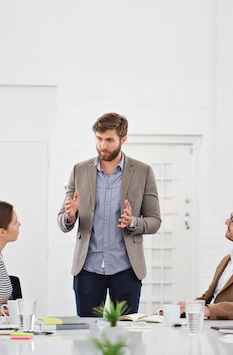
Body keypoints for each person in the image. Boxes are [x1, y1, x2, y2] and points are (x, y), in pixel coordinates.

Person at [57, 112, 161, 316]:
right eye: (99, 139)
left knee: (125, 339)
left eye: (109, 140)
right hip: (87, 269)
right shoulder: (79, 170)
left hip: (126, 270)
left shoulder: (143, 172)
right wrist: (70, 216)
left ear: (123, 139)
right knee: (87, 339)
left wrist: (133, 222)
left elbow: (154, 221)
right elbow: (62, 221)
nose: (103, 145)